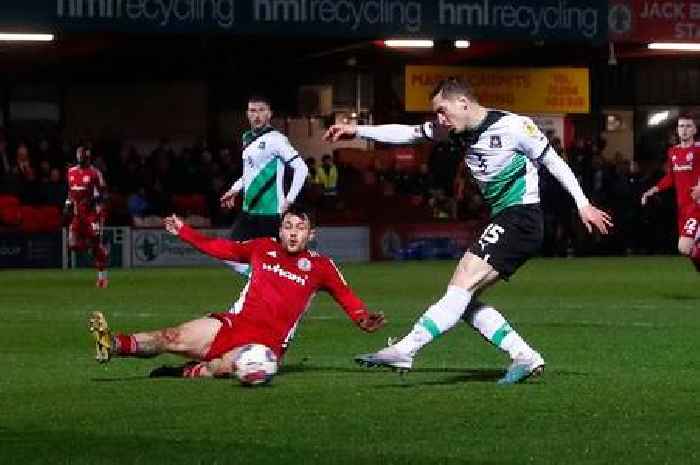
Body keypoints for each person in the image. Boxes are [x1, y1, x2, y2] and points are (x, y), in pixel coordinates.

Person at [323, 77, 612, 384]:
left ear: (463, 103)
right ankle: (524, 355)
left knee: (461, 284)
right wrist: (357, 130)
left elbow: (553, 162)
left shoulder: (514, 126)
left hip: (521, 218)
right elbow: (409, 134)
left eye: (442, 110)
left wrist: (582, 204)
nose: (439, 119)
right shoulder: (453, 129)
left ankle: (407, 348)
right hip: (504, 218)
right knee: (461, 299)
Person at [87, 206, 385, 379]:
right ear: (280, 230)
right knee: (170, 336)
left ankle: (184, 372)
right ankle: (111, 344)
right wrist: (186, 232)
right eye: (288, 226)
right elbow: (221, 248)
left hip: (265, 345)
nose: (293, 232)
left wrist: (361, 317)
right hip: (232, 324)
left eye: (300, 228)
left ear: (311, 234)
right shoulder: (262, 247)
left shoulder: (321, 266)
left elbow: (346, 296)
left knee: (221, 367)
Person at [641, 115, 700, 269]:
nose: (684, 130)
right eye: (681, 126)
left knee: (684, 246)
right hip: (682, 209)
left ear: (694, 130)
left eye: (688, 126)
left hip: (696, 208)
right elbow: (671, 177)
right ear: (677, 130)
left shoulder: (698, 150)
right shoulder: (673, 152)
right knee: (688, 251)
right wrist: (653, 190)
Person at [65, 146, 110, 288]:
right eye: (79, 156)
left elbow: (104, 193)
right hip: (78, 215)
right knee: (72, 244)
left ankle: (102, 278)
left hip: (92, 216)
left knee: (96, 247)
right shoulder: (70, 172)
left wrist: (97, 202)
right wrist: (67, 204)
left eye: (83, 157)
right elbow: (70, 192)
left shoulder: (95, 173)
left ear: (88, 158)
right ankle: (94, 247)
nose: (81, 159)